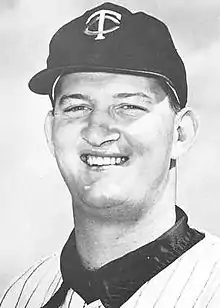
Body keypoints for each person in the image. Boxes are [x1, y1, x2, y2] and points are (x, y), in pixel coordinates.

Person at [1, 2, 220, 308]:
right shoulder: (23, 295)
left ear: (180, 134)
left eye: (129, 106)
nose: (97, 132)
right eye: (77, 107)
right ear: (51, 132)